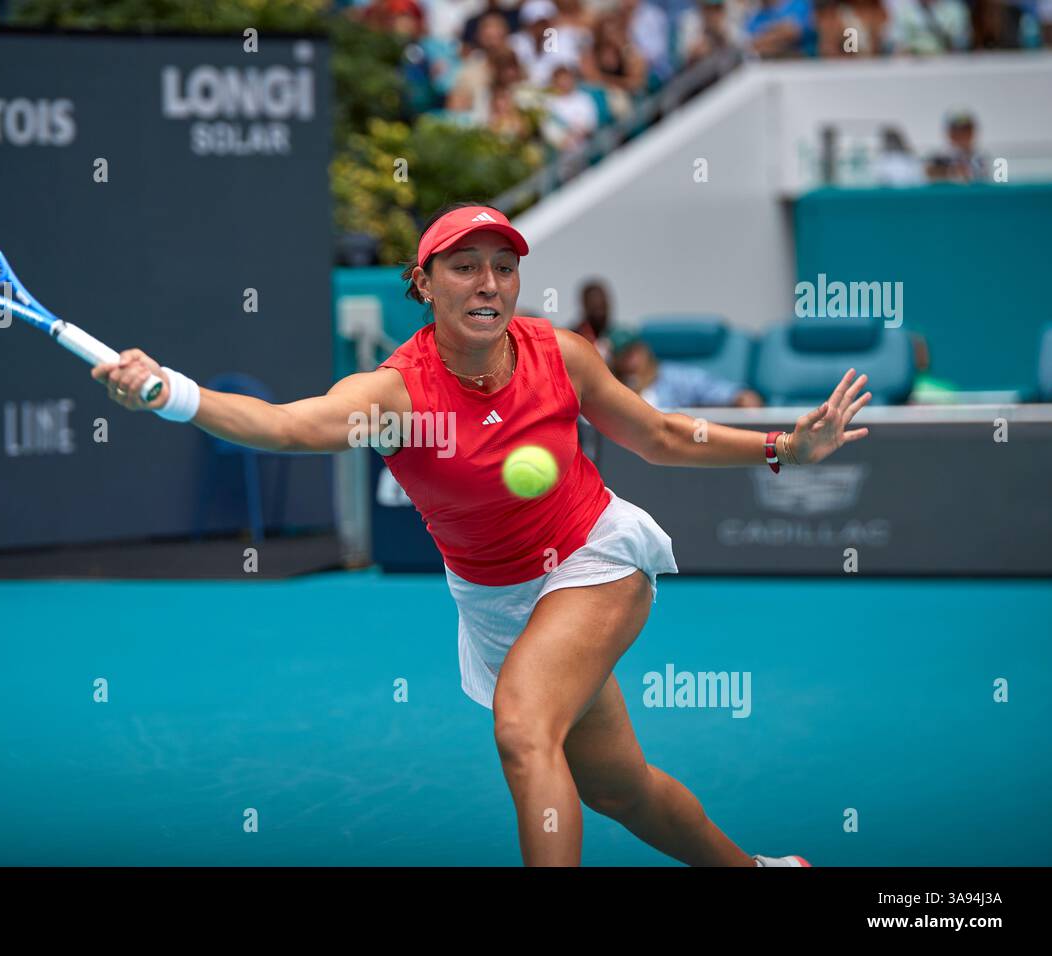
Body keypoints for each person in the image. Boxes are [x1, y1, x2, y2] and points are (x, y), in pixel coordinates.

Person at [92, 201, 872, 867]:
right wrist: (173, 394)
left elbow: (661, 435)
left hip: (594, 555)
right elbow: (289, 425)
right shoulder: (396, 393)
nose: (488, 282)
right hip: (494, 600)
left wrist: (782, 448)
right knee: (615, 787)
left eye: (503, 265)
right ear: (424, 283)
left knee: (523, 729)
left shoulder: (561, 354)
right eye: (464, 266)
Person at [607, 326, 765, 408]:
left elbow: (710, 388)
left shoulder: (673, 377)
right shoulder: (612, 388)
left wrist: (739, 396)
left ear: (645, 349)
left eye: (635, 352)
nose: (632, 361)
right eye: (624, 356)